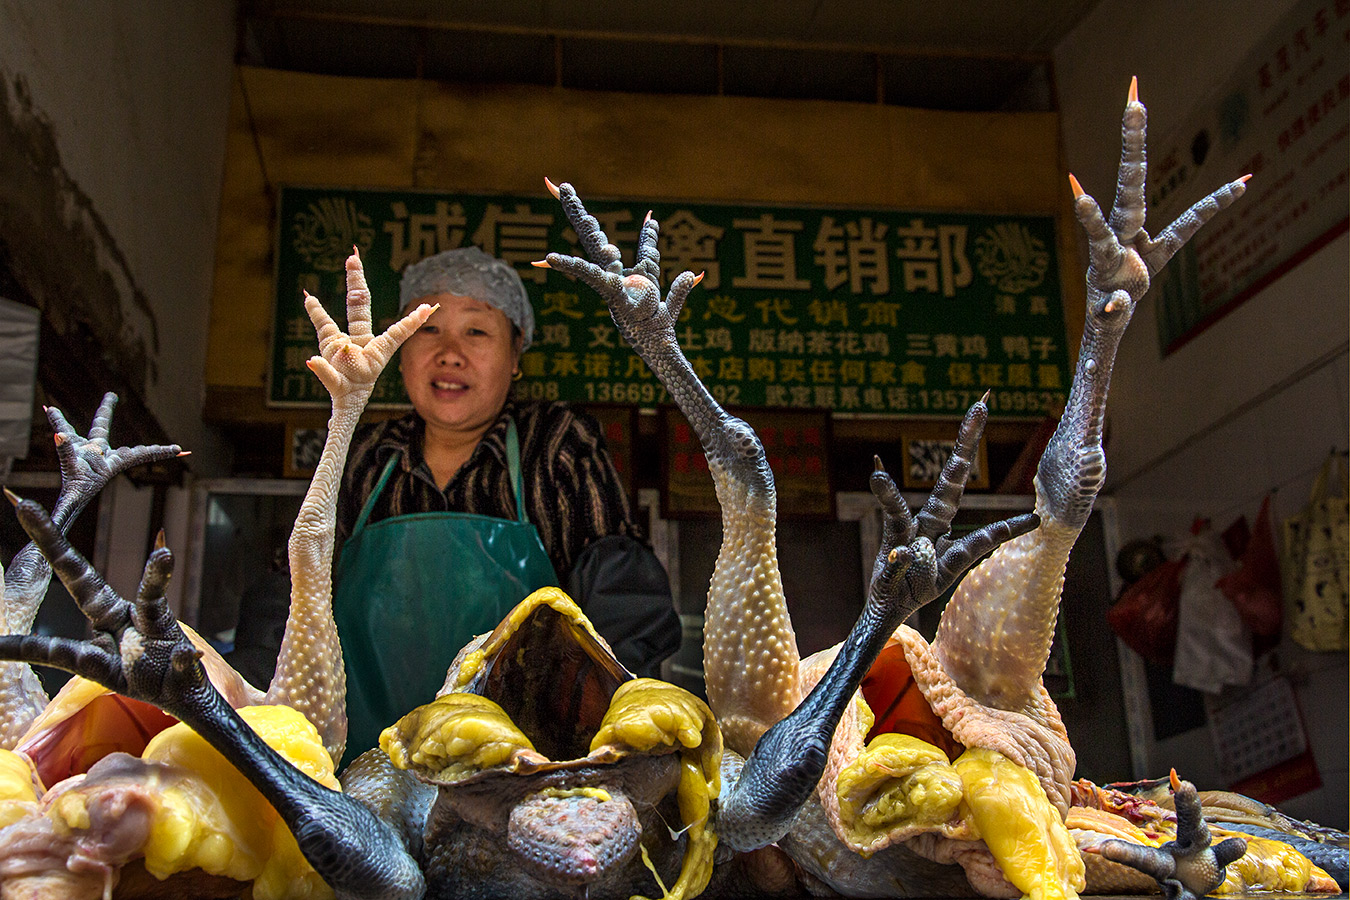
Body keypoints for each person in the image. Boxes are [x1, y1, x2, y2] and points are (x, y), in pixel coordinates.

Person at [332, 246, 680, 761]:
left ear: (515, 355)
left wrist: (600, 736)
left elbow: (624, 605)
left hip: (524, 769)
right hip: (361, 765)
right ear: (398, 348)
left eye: (476, 331)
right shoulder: (361, 457)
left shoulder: (557, 445)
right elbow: (289, 600)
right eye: (427, 328)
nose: (449, 352)